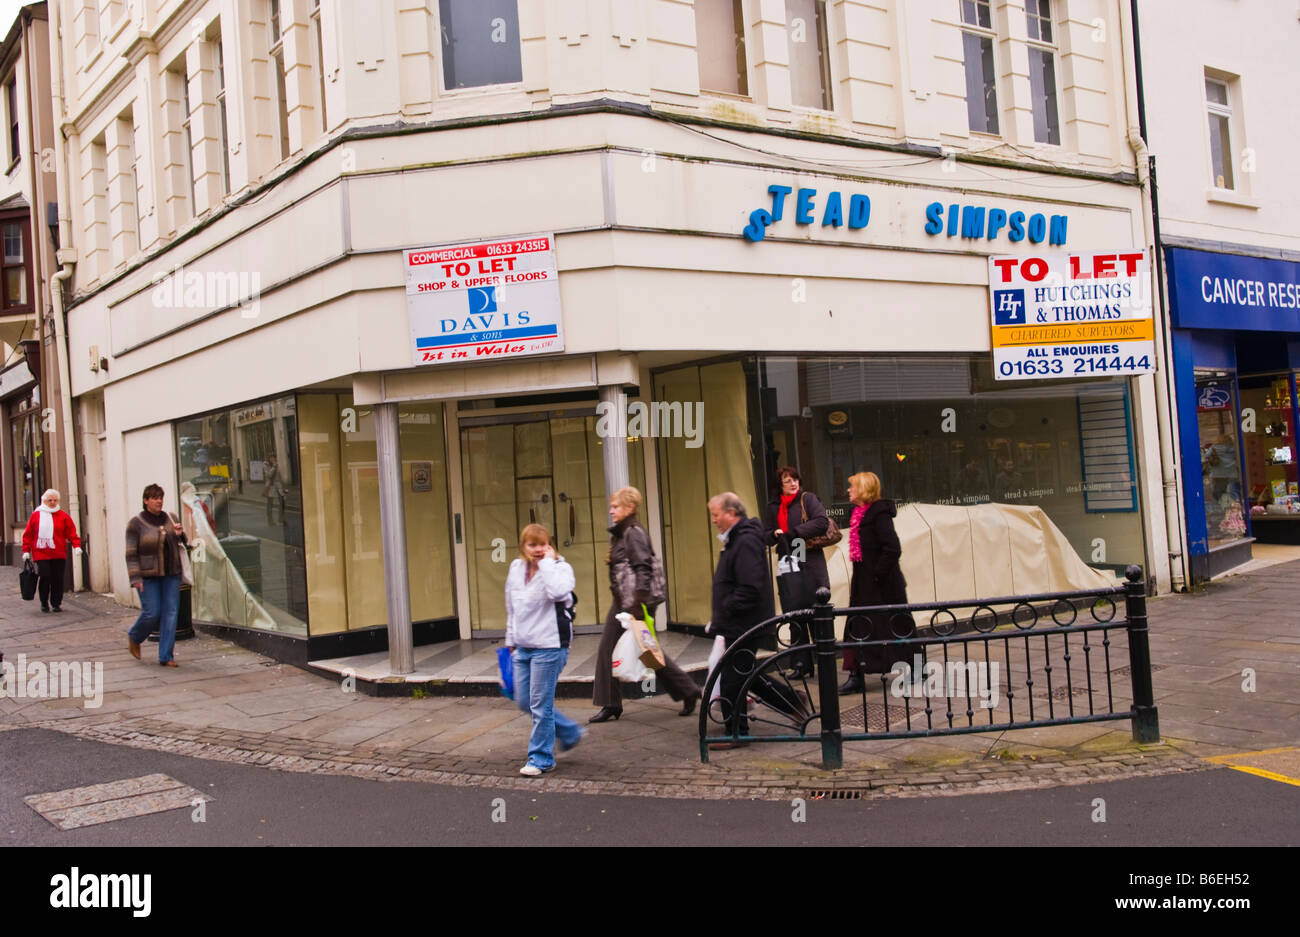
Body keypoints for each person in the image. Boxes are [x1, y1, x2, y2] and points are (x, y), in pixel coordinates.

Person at [590, 486, 700, 723]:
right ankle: (612, 703)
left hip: (634, 603)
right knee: (625, 651)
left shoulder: (633, 532)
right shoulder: (622, 532)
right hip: (623, 600)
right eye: (611, 507)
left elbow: (644, 568)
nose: (611, 511)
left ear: (629, 507)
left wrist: (638, 606)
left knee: (646, 653)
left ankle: (688, 691)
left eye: (616, 506)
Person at [708, 492, 805, 747]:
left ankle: (737, 732)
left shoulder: (746, 540)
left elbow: (750, 586)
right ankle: (792, 701)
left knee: (732, 679)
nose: (714, 520)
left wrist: (727, 607)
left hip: (743, 623)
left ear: (731, 513)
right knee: (746, 674)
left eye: (716, 514)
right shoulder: (738, 539)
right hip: (737, 622)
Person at [504, 523, 583, 776]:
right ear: (523, 547)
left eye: (542, 544)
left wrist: (547, 563)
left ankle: (541, 758)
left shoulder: (560, 568)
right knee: (524, 701)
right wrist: (510, 638)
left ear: (549, 544)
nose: (537, 549)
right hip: (524, 646)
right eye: (532, 544)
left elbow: (559, 592)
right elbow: (511, 605)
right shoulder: (516, 568)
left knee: (540, 704)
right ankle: (570, 731)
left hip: (549, 646)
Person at [841, 472, 913, 694]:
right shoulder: (858, 514)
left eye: (852, 486)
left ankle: (915, 667)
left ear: (863, 490)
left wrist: (875, 576)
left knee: (898, 627)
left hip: (882, 586)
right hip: (864, 584)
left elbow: (892, 548)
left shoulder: (879, 515)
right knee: (858, 626)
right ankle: (856, 674)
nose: (848, 490)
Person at [763, 466, 830, 678]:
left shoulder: (807, 499)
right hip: (787, 560)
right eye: (787, 480)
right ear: (779, 485)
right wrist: (774, 534)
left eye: (795, 479)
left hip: (809, 559)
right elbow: (765, 535)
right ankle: (801, 664)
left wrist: (794, 533)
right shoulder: (773, 507)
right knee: (795, 613)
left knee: (816, 613)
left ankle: (825, 662)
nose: (793, 483)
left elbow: (821, 522)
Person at [125, 484, 189, 666]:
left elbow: (184, 542)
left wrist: (179, 534)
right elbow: (130, 553)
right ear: (146, 501)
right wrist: (135, 578)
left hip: (171, 573)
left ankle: (166, 656)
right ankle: (135, 636)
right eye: (154, 498)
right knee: (152, 612)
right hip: (148, 576)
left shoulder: (170, 517)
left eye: (161, 497)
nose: (159, 501)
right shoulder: (135, 524)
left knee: (171, 613)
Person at [21, 489, 82, 613]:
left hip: (58, 552)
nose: (53, 502)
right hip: (41, 552)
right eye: (50, 500)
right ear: (44, 501)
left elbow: (71, 532)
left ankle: (56, 603)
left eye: (55, 500)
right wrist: (26, 550)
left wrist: (77, 546)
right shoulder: (36, 515)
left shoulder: (63, 516)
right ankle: (44, 602)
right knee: (45, 576)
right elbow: (28, 534)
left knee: (58, 579)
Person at [263, 455, 285, 524]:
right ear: (269, 458)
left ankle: (281, 518)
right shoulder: (266, 465)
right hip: (271, 486)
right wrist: (274, 467)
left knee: (282, 502)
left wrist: (282, 485)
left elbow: (279, 475)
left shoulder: (277, 464)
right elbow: (269, 475)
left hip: (279, 486)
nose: (273, 459)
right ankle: (270, 520)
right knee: (270, 503)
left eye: (274, 457)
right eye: (271, 457)